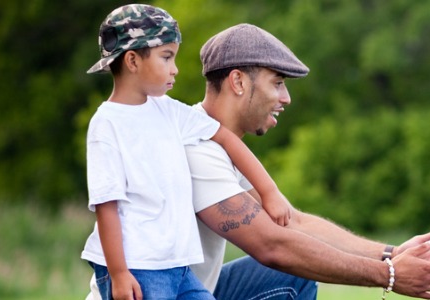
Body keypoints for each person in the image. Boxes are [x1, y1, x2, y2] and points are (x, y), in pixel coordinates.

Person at [88, 23, 430, 300]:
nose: (286, 98)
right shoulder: (191, 149)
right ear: (239, 82)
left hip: (189, 287)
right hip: (144, 289)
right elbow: (272, 244)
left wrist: (391, 254)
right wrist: (388, 276)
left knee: (295, 278)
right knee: (284, 261)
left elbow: (294, 223)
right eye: (277, 82)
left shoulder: (216, 142)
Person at [81, 5, 292, 300]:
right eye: (166, 57)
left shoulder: (169, 110)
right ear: (132, 60)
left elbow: (226, 139)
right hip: (138, 267)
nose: (175, 68)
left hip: (178, 267)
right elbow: (107, 205)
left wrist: (269, 191)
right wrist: (118, 274)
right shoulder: (107, 125)